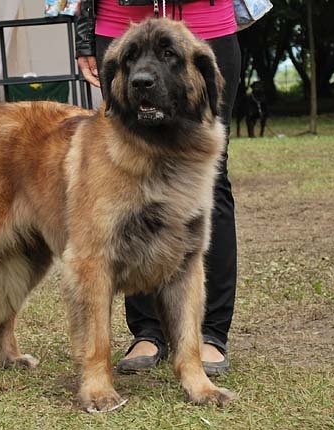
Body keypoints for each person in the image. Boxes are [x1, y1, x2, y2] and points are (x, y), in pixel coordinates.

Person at [75, 0, 240, 376]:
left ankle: (209, 334)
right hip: (118, 24)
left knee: (213, 187)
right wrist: (84, 37)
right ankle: (147, 331)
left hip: (205, 21)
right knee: (125, 184)